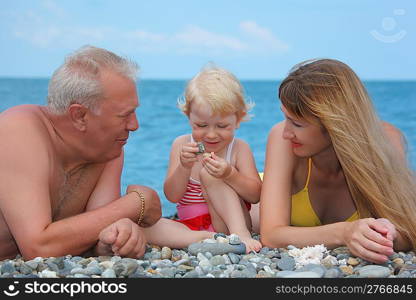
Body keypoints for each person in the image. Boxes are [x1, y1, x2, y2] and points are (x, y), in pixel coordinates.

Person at [0, 45, 210, 261]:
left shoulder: (107, 150)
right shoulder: (19, 129)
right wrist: (137, 204)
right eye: (124, 115)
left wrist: (118, 238)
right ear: (80, 115)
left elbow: (96, 236)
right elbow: (38, 249)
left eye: (134, 112)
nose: (135, 125)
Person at [260, 58, 416, 264]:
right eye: (285, 117)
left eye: (297, 124)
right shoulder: (282, 139)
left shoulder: (385, 142)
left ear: (334, 124)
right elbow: (271, 235)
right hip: (259, 189)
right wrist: (345, 232)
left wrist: (386, 234)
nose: (287, 132)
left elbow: (408, 229)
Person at [163, 66, 263, 253]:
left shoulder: (239, 149)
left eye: (222, 126)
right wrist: (184, 167)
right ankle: (207, 239)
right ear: (188, 116)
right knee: (146, 226)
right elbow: (172, 196)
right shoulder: (181, 144)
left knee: (209, 175)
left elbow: (255, 195)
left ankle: (240, 235)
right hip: (190, 226)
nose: (210, 134)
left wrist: (229, 174)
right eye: (201, 125)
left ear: (238, 119)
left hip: (228, 224)